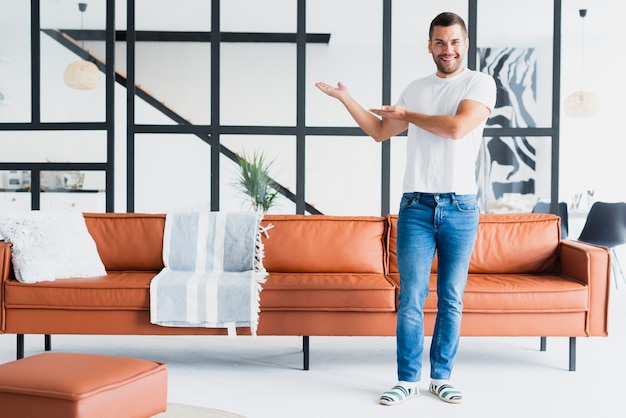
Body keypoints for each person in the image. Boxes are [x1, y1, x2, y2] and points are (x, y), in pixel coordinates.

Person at [315, 12, 496, 406]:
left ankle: (442, 376)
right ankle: (408, 379)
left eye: (454, 42)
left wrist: (408, 116)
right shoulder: (415, 88)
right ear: (429, 45)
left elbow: (456, 128)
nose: (447, 50)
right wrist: (348, 99)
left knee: (450, 297)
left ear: (465, 44)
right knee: (410, 297)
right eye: (439, 42)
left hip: (460, 206)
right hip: (415, 205)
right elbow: (380, 131)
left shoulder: (479, 83)